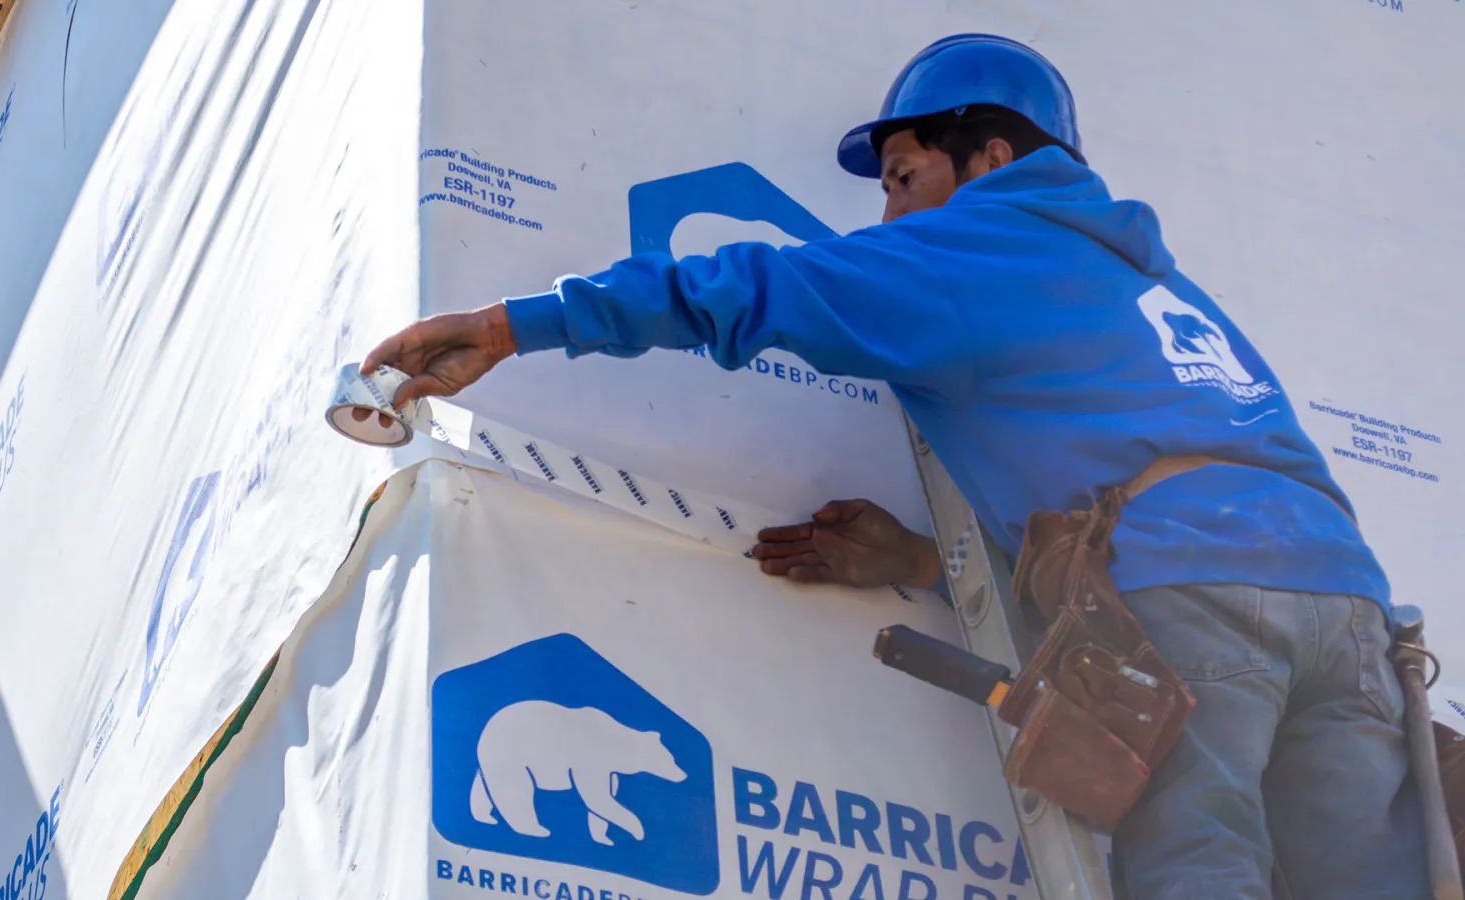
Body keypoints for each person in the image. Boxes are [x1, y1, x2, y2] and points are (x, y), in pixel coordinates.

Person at [364, 33, 1425, 899]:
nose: (888, 213)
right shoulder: (1159, 287)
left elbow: (749, 288)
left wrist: (515, 325)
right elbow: (1116, 466)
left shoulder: (975, 249)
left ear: (990, 160)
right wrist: (924, 560)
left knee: (1198, 861)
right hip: (1349, 612)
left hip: (1193, 592)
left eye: (905, 174)